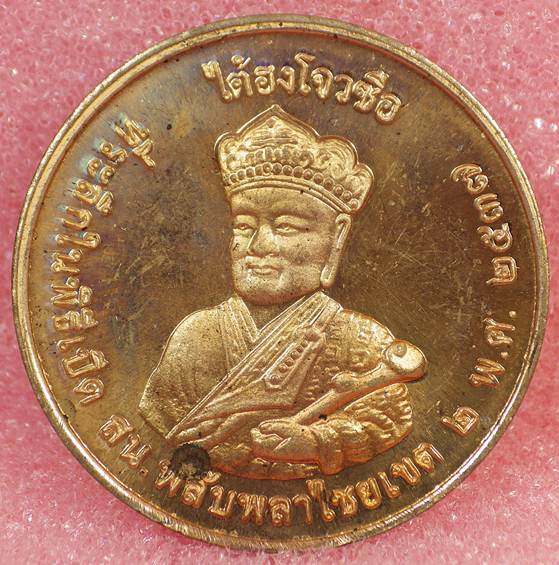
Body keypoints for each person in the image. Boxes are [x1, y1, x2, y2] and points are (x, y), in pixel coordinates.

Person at [139, 105, 426, 480]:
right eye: (244, 225)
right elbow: (161, 418)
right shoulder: (193, 336)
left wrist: (316, 442)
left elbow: (386, 420)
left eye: (287, 226)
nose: (258, 245)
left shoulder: (362, 342)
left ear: (336, 238)